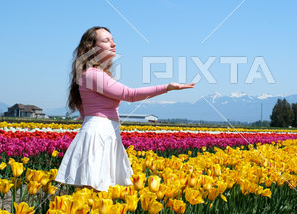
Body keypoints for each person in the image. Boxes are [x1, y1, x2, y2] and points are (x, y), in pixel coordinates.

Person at [55, 26, 194, 192]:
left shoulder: (92, 74)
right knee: (93, 194)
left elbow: (84, 111)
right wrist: (167, 87)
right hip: (99, 134)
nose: (113, 44)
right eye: (106, 41)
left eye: (113, 40)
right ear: (92, 47)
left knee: (96, 195)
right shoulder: (92, 74)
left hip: (104, 132)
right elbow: (130, 94)